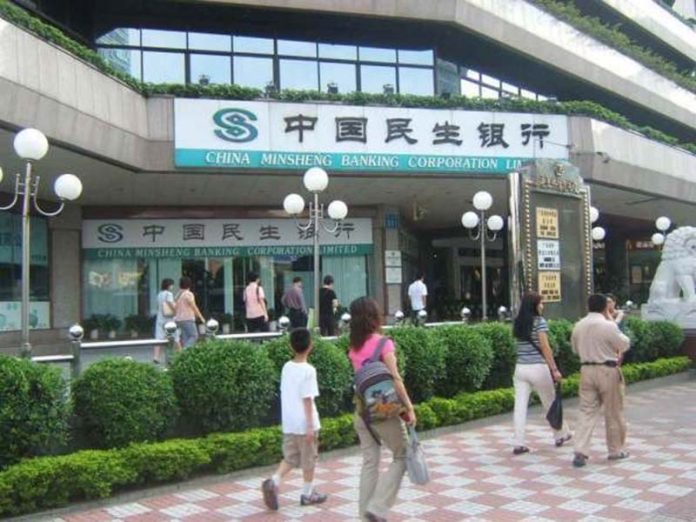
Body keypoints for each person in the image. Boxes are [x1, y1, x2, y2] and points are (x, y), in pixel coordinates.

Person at [348, 297, 416, 522]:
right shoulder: (383, 343)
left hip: (361, 411)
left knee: (370, 462)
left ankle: (364, 516)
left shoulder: (354, 347)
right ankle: (377, 508)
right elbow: (395, 379)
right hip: (383, 409)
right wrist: (409, 407)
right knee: (402, 454)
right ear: (374, 316)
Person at [261, 328, 327, 510]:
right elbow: (307, 399)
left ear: (291, 346)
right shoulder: (309, 370)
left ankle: (274, 480)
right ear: (311, 346)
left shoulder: (286, 367)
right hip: (305, 423)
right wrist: (310, 426)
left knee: (290, 457)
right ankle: (307, 494)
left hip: (289, 422)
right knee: (309, 459)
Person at [571, 293, 631, 468]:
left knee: (586, 411)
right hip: (607, 370)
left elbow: (575, 349)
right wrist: (612, 320)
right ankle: (615, 450)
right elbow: (624, 344)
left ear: (588, 306)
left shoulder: (579, 325)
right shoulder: (608, 326)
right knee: (613, 411)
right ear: (605, 307)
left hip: (586, 369)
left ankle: (580, 450)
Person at [511, 292, 571, 455]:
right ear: (534, 305)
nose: (542, 306)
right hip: (538, 367)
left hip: (520, 368)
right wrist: (554, 369)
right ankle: (559, 435)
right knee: (550, 402)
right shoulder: (539, 322)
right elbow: (545, 347)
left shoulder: (518, 322)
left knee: (520, 407)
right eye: (541, 303)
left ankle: (518, 443)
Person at [174, 276, 205, 348]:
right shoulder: (188, 294)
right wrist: (201, 317)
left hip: (179, 319)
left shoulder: (178, 295)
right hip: (187, 318)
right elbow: (193, 306)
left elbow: (174, 305)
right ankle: (185, 350)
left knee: (186, 338)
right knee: (194, 336)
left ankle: (185, 352)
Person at [154, 278, 179, 362]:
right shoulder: (169, 294)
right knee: (175, 337)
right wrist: (176, 310)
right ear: (169, 285)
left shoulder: (159, 294)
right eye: (172, 285)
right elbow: (170, 303)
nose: (172, 286)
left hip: (160, 318)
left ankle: (156, 357)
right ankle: (181, 353)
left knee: (159, 338)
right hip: (169, 319)